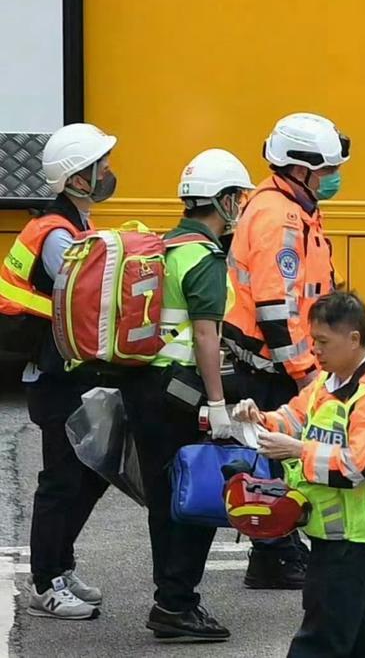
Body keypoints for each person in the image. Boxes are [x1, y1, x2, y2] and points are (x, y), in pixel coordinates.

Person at [114, 150, 252, 640]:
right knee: (198, 494)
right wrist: (216, 404)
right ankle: (177, 603)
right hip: (180, 391)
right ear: (223, 200)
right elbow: (206, 336)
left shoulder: (166, 245)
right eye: (237, 197)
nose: (240, 205)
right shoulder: (205, 257)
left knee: (164, 497)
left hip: (144, 386)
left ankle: (169, 598)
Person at [231, 291, 365, 658]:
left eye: (323, 341)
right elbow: (295, 417)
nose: (314, 349)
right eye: (313, 340)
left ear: (353, 339)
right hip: (336, 535)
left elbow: (359, 467)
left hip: (353, 539)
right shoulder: (328, 382)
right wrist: (260, 419)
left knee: (319, 642)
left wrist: (297, 450)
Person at [223, 112, 349, 589]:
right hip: (273, 363)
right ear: (300, 169)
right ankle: (275, 554)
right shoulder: (279, 216)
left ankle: (274, 551)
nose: (333, 177)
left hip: (276, 359)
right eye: (327, 170)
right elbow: (276, 307)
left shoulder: (292, 206)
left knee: (276, 457)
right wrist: (305, 372)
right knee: (276, 458)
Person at [0, 124, 117, 620]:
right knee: (62, 480)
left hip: (68, 369)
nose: (108, 172)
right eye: (100, 166)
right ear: (77, 179)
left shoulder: (72, 224)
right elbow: (84, 299)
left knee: (91, 472)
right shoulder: (57, 234)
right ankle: (46, 583)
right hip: (55, 375)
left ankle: (59, 565)